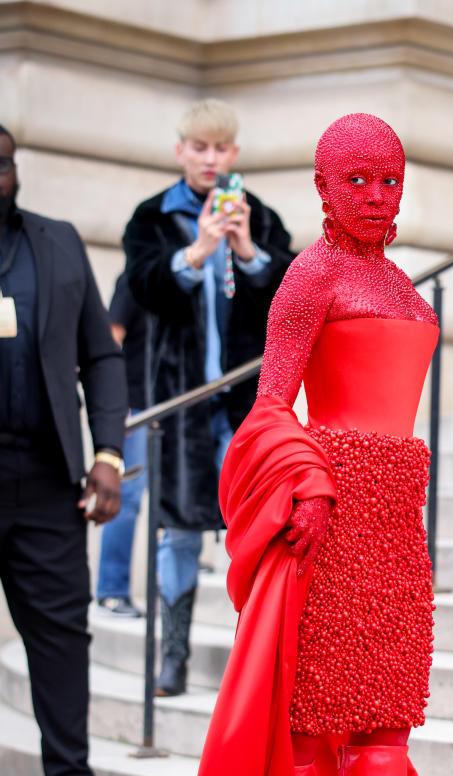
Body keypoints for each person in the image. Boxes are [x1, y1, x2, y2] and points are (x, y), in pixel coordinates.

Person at [77, 114, 453, 776]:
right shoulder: (309, 275)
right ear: (323, 188)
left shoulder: (398, 280)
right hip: (327, 527)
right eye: (356, 180)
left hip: (396, 522)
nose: (375, 195)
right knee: (302, 735)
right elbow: (267, 409)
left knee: (383, 722)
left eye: (389, 179)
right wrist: (304, 479)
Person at [123, 98, 294, 695]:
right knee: (179, 530)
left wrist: (247, 250)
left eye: (221, 149)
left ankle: (263, 661)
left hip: (247, 404)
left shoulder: (261, 216)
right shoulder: (151, 217)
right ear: (180, 152)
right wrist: (197, 249)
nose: (210, 159)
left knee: (264, 529)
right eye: (199, 147)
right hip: (183, 405)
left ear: (235, 155)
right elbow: (142, 288)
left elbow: (291, 294)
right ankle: (173, 657)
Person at [0, 124, 140, 776]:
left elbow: (101, 356)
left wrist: (109, 453)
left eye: (3, 161)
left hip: (46, 477)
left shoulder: (56, 244)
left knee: (61, 638)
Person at [96, 272, 148, 618]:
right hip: (136, 407)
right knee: (126, 498)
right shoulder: (134, 280)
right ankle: (111, 590)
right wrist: (116, 407)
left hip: (168, 404)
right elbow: (111, 341)